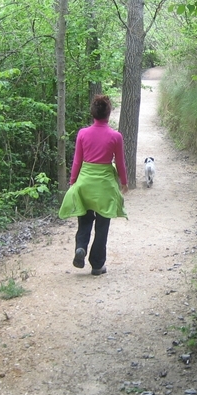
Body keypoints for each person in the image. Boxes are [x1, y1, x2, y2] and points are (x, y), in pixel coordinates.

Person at [58, 95, 129, 275]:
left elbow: (77, 161)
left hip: (85, 184)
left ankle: (80, 247)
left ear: (93, 113)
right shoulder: (116, 136)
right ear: (108, 113)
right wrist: (124, 182)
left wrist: (73, 182)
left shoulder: (83, 133)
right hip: (104, 186)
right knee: (102, 226)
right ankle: (97, 265)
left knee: (85, 220)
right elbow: (120, 163)